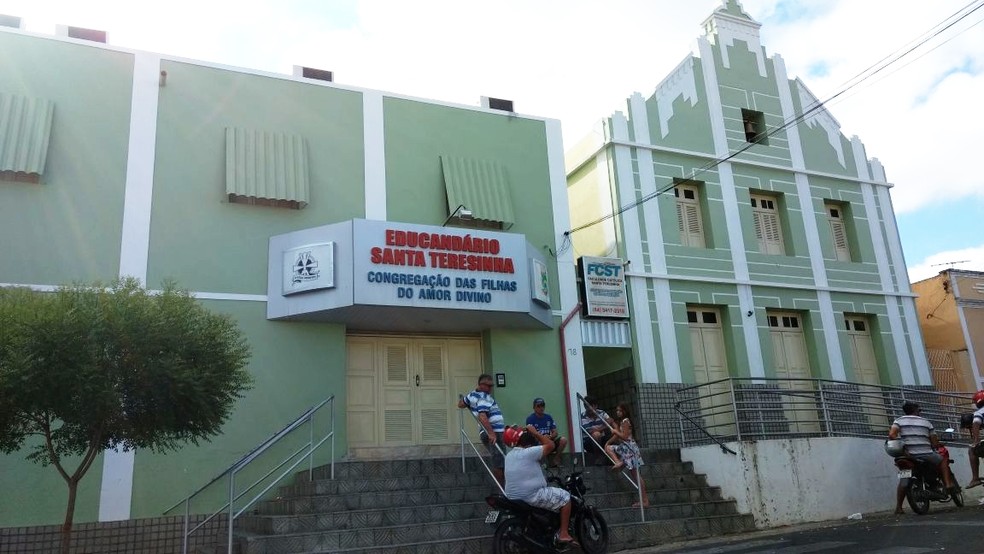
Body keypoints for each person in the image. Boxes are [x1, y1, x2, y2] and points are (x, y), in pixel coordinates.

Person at [503, 424, 578, 546]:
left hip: (512, 497)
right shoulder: (529, 452)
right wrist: (535, 432)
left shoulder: (509, 456)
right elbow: (551, 445)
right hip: (531, 496)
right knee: (565, 497)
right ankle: (563, 533)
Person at [888, 400, 957, 514]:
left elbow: (891, 435)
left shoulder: (898, 421)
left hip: (907, 456)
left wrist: (902, 444)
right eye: (919, 410)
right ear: (915, 410)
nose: (920, 412)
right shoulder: (925, 422)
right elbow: (934, 443)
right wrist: (936, 444)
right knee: (943, 460)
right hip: (925, 454)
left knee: (903, 479)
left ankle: (899, 507)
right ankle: (948, 484)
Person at [458, 374, 506, 488]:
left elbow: (460, 404)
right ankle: (503, 489)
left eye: (491, 386)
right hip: (495, 432)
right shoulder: (484, 397)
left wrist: (469, 401)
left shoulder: (472, 395)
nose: (490, 388)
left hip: (490, 432)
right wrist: (491, 433)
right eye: (488, 386)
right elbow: (482, 416)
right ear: (481, 385)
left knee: (499, 459)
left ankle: (504, 488)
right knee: (500, 462)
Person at [604, 403, 648, 507]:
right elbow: (617, 435)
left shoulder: (625, 421)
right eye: (617, 410)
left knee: (636, 475)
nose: (617, 412)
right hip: (625, 448)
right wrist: (608, 442)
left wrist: (614, 431)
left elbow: (624, 436)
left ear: (624, 411)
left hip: (629, 448)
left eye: (620, 410)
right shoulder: (623, 421)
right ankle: (619, 462)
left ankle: (645, 500)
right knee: (608, 448)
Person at [526, 397, 568, 468]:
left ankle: (556, 459)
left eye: (542, 405)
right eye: (538, 406)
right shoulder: (530, 419)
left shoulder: (548, 417)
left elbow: (555, 432)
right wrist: (542, 438)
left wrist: (550, 436)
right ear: (534, 408)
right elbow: (530, 435)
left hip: (549, 442)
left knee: (563, 440)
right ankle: (542, 464)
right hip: (538, 444)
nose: (541, 408)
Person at [962, 390, 984, 489]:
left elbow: (976, 423)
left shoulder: (980, 412)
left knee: (971, 450)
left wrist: (976, 441)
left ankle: (975, 479)